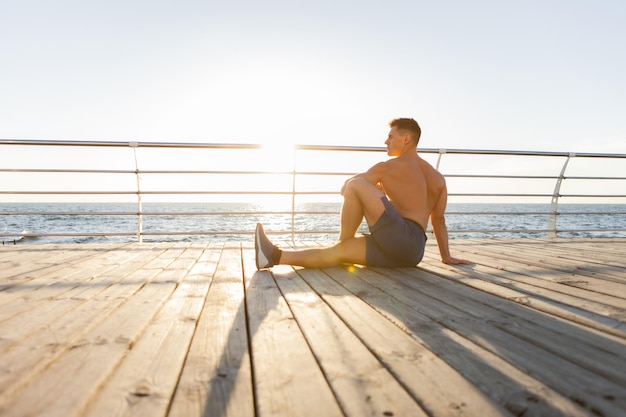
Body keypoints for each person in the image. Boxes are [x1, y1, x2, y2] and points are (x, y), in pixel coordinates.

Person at [255, 118, 470, 270]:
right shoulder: (438, 178)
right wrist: (446, 257)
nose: (386, 141)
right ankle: (273, 256)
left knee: (357, 183)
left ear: (406, 139)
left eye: (390, 136)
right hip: (414, 253)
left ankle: (344, 240)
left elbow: (349, 186)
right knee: (337, 254)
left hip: (399, 236)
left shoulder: (388, 167)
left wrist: (375, 191)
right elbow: (438, 219)